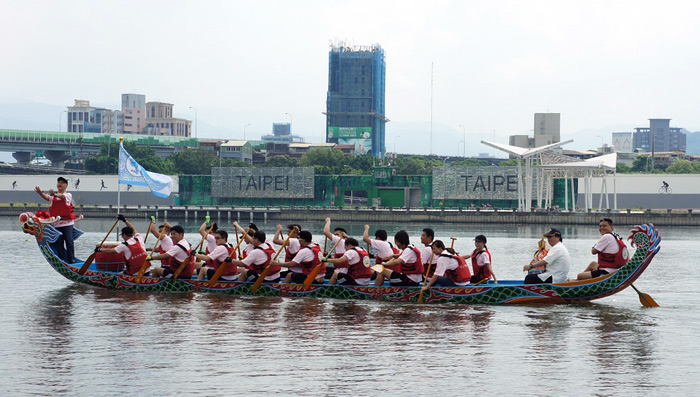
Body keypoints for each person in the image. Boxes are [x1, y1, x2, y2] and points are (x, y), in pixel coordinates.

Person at [34, 177, 76, 263]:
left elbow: (62, 197)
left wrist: (55, 194)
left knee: (69, 240)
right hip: (57, 224)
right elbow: (47, 197)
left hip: (67, 223)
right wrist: (40, 193)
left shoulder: (68, 195)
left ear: (66, 186)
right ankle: (62, 259)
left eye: (62, 183)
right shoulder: (53, 198)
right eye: (58, 182)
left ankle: (71, 258)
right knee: (59, 241)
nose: (60, 184)